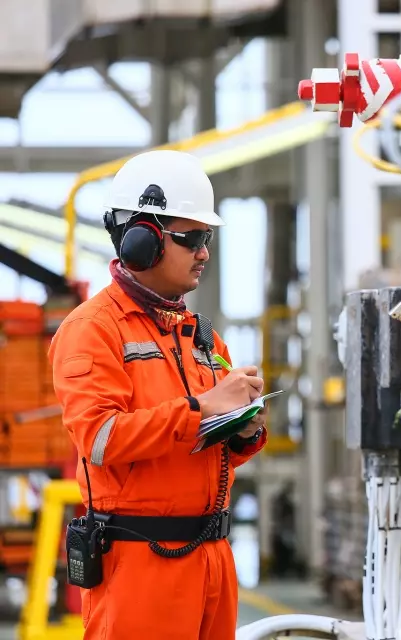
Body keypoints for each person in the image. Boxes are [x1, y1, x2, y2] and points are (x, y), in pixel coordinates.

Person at [49, 149, 268, 639]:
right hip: (140, 566)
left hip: (212, 561)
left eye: (206, 238)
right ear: (140, 242)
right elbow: (100, 439)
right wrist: (202, 408)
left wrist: (245, 429)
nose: (204, 252)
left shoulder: (202, 336)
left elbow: (208, 449)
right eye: (190, 238)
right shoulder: (92, 331)